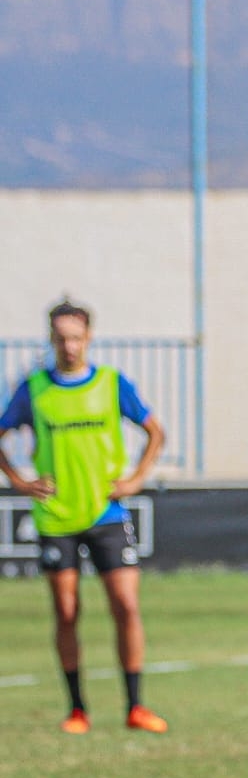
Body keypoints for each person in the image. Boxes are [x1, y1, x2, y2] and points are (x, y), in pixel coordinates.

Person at [0, 300, 169, 734]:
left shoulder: (112, 383)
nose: (69, 346)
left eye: (76, 337)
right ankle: (77, 710)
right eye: (61, 338)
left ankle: (135, 706)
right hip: (57, 516)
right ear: (51, 339)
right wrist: (19, 482)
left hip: (107, 512)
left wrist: (134, 479)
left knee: (126, 606)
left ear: (88, 338)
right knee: (67, 611)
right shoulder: (34, 388)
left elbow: (155, 431)